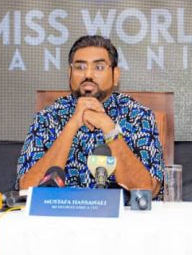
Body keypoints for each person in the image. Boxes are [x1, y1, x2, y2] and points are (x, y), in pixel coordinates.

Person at [16, 35, 164, 197]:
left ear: (115, 75)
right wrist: (72, 125)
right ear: (70, 73)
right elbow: (27, 189)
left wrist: (110, 129)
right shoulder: (48, 117)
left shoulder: (138, 116)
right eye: (80, 67)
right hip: (62, 211)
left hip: (119, 212)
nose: (88, 74)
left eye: (99, 67)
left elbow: (148, 190)